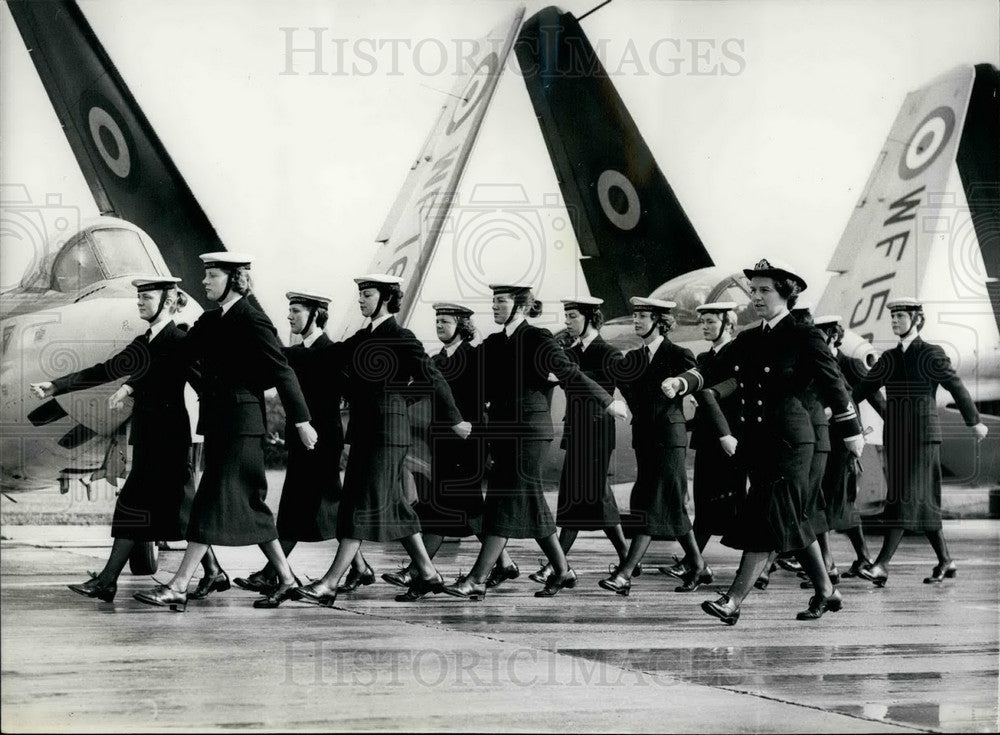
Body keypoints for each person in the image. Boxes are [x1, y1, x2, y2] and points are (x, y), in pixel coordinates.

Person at [663, 259, 866, 624]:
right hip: (760, 444)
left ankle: (732, 601)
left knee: (766, 517)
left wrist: (851, 432)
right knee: (789, 518)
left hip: (794, 443)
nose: (755, 296)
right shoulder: (750, 338)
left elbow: (835, 384)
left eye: (764, 290)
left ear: (786, 294)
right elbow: (713, 369)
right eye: (752, 290)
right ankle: (826, 590)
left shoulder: (804, 335)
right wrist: (682, 382)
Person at [133, 253, 318, 611]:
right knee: (251, 504)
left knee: (209, 501)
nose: (204, 281)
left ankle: (178, 585)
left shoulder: (252, 318)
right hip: (220, 424)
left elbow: (281, 370)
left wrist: (302, 421)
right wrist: (136, 377)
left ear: (234, 280)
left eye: (212, 275)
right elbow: (179, 353)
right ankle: (287, 579)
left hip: (242, 426)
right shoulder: (212, 319)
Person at [30, 276, 224, 603]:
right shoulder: (143, 342)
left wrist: (220, 424)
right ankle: (209, 570)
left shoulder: (180, 340)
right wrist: (57, 385)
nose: (139, 302)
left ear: (167, 301)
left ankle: (111, 581)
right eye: (139, 297)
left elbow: (200, 382)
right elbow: (106, 369)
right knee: (156, 507)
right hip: (149, 436)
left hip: (171, 437)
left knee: (173, 508)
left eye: (146, 297)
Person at [292, 275, 471, 607]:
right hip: (366, 433)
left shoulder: (402, 337)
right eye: (360, 293)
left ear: (386, 298)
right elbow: (324, 358)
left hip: (388, 435)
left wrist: (454, 418)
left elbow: (432, 378)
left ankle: (329, 583)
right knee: (396, 508)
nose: (361, 299)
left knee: (361, 504)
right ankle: (429, 574)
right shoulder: (362, 337)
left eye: (367, 294)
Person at [442, 284, 626, 601]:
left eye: (501, 301)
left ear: (521, 305)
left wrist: (607, 401)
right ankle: (563, 570)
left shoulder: (537, 338)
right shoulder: (494, 343)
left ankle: (478, 578)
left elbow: (569, 372)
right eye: (494, 300)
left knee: (506, 498)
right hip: (502, 431)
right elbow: (468, 377)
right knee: (531, 502)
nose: (495, 306)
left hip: (530, 431)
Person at [233, 291, 371, 596]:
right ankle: (360, 568)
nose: (290, 316)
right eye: (290, 311)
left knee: (299, 506)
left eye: (296, 311)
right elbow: (270, 341)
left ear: (316, 315)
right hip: (302, 441)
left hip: (322, 442)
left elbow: (356, 390)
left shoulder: (331, 352)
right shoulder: (297, 354)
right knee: (327, 506)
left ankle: (272, 574)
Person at [382, 302, 518, 597]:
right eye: (438, 321)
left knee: (440, 508)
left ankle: (417, 573)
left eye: (445, 321)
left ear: (462, 326)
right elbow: (415, 391)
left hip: (469, 444)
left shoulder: (476, 357)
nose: (440, 326)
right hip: (442, 446)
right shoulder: (436, 360)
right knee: (470, 510)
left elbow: (493, 394)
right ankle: (503, 562)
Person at [853, 298, 987, 586]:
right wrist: (836, 410)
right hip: (896, 439)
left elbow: (956, 386)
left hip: (923, 438)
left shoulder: (931, 354)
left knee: (903, 498)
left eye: (901, 316)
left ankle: (881, 565)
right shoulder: (888, 357)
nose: (896, 321)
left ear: (917, 320)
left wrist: (973, 421)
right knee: (921, 500)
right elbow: (863, 388)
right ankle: (946, 561)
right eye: (894, 317)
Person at [599, 297, 708, 597]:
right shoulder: (633, 357)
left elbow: (699, 378)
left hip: (670, 438)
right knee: (670, 503)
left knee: (655, 502)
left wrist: (679, 383)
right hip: (645, 438)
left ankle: (625, 573)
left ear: (660, 321)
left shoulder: (678, 353)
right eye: (635, 315)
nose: (637, 321)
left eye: (643, 316)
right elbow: (624, 386)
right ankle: (698, 566)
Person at [529, 297, 630, 585]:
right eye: (567, 316)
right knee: (596, 497)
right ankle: (626, 558)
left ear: (590, 318)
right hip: (576, 431)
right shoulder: (571, 353)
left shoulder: (608, 353)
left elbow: (628, 389)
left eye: (573, 316)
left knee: (578, 495)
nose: (568, 322)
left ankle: (555, 566)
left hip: (598, 434)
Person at [659, 302, 744, 584]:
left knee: (733, 505)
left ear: (728, 324)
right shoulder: (705, 357)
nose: (705, 327)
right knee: (706, 503)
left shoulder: (737, 354)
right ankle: (694, 563)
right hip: (709, 439)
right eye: (703, 322)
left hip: (731, 438)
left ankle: (760, 565)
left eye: (710, 321)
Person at [812, 315, 884, 579]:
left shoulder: (848, 364)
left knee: (830, 501)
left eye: (820, 335)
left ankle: (829, 565)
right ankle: (861, 558)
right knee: (837, 503)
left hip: (843, 444)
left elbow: (875, 396)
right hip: (822, 440)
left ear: (832, 336)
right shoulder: (816, 361)